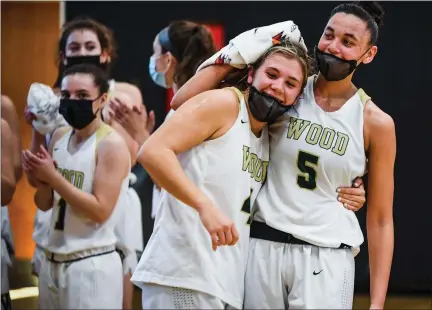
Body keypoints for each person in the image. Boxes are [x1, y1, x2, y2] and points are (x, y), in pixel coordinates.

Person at [170, 2, 395, 309]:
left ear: (368, 54)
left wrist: (377, 303)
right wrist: (258, 40)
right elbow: (184, 100)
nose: (333, 46)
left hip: (325, 253)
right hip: (262, 245)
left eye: (348, 42)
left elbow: (381, 220)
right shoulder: (287, 87)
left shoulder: (375, 122)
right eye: (329, 35)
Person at [24, 17, 149, 309]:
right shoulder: (58, 131)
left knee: (122, 280)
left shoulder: (120, 109)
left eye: (90, 46)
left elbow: (106, 196)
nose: (82, 52)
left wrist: (52, 178)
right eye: (67, 96)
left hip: (95, 242)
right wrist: (40, 165)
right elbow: (42, 196)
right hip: (59, 242)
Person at [22, 63, 130, 309]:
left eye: (82, 95)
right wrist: (40, 179)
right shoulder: (59, 136)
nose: (72, 101)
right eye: (66, 95)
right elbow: (44, 203)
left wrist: (54, 177)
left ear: (102, 99)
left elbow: (101, 210)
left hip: (91, 262)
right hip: (53, 259)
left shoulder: (110, 144)